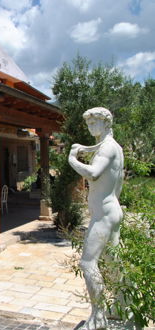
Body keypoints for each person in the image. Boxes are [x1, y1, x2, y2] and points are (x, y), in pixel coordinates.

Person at [68, 107, 124, 330]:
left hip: (104, 214)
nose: (91, 128)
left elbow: (93, 173)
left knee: (88, 262)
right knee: (112, 261)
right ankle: (122, 304)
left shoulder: (107, 148)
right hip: (111, 210)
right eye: (89, 124)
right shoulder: (113, 147)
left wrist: (72, 158)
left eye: (95, 124)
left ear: (106, 123)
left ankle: (98, 315)